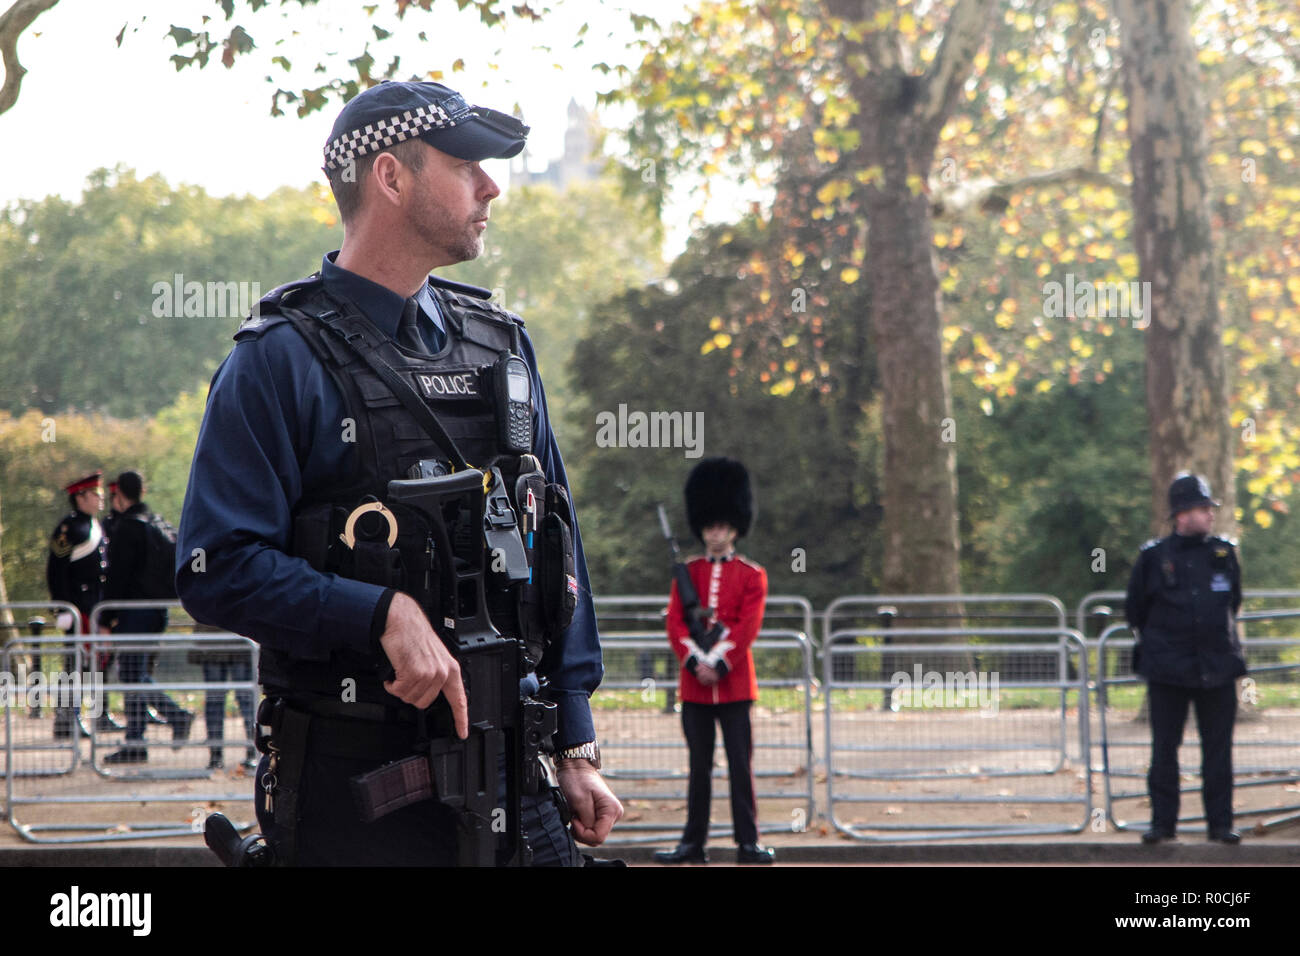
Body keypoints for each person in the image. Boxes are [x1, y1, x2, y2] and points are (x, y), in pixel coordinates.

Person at [176, 79, 621, 866]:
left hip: (520, 781)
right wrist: (378, 612)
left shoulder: (503, 347)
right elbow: (216, 567)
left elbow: (555, 536)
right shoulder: (277, 361)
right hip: (361, 793)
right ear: (391, 177)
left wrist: (576, 738)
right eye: (467, 166)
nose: (492, 186)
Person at [654, 458, 774, 864]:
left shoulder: (752, 575)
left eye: (722, 526)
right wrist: (694, 661)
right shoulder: (688, 572)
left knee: (741, 766)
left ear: (735, 527)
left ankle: (748, 842)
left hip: (736, 685)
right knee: (698, 769)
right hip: (695, 690)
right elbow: (675, 622)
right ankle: (693, 843)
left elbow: (746, 627)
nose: (715, 533)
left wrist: (719, 662)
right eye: (709, 526)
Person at [1126, 472, 1245, 845]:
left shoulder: (1223, 554)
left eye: (1211, 508)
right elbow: (1135, 611)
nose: (1210, 515)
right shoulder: (1153, 558)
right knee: (1164, 749)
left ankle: (1220, 825)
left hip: (1217, 666)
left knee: (1218, 751)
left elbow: (1233, 603)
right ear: (1181, 514)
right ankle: (1163, 826)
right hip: (1168, 669)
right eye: (1202, 508)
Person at [102, 470, 192, 764]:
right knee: (134, 673)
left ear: (119, 496)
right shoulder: (157, 522)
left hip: (134, 612)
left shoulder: (128, 528)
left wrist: (106, 619)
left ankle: (174, 717)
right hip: (156, 610)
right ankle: (135, 741)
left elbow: (118, 576)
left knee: (132, 673)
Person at [45, 471, 108, 737]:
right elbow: (56, 570)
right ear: (80, 497)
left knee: (89, 664)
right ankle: (66, 718)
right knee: (74, 664)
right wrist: (61, 608)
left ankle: (89, 713)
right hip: (76, 606)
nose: (100, 497)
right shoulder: (69, 528)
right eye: (95, 493)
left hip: (93, 605)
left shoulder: (94, 525)